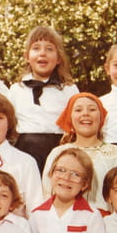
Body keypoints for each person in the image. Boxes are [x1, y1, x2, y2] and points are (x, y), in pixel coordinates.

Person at [9, 26, 79, 172]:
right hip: (25, 151)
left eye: (49, 49)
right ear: (27, 56)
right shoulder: (16, 90)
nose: (42, 53)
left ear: (58, 58)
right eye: (36, 48)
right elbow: (9, 124)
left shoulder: (68, 89)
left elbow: (75, 125)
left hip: (59, 151)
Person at [42, 92, 117, 211]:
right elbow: (47, 192)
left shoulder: (115, 153)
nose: (85, 113)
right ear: (70, 118)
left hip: (105, 219)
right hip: (66, 218)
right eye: (78, 110)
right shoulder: (58, 153)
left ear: (101, 117)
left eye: (92, 109)